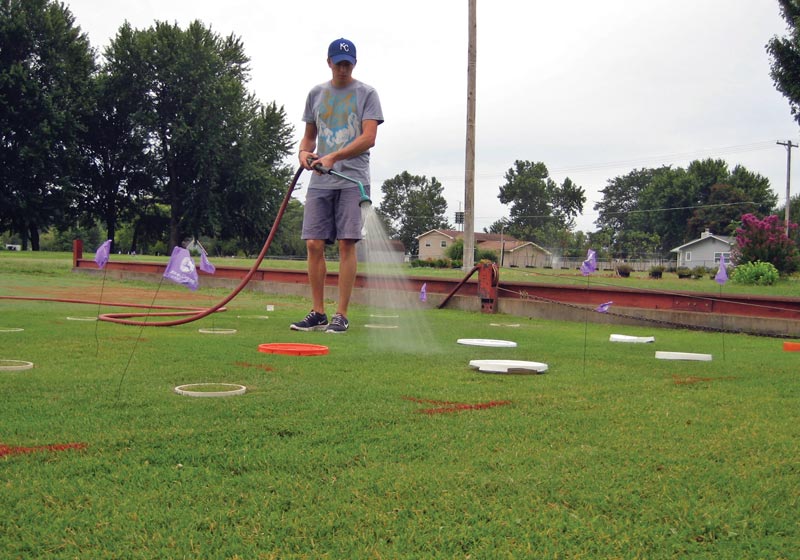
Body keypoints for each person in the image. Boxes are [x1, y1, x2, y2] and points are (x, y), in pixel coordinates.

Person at [290, 38, 384, 333]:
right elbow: (308, 137)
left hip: (352, 179)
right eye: (338, 62)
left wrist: (334, 157)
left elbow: (369, 137)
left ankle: (340, 314)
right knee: (314, 243)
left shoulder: (367, 93)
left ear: (354, 63)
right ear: (328, 62)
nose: (343, 68)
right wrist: (304, 154)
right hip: (320, 180)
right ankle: (317, 312)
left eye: (348, 63)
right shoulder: (316, 94)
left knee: (347, 243)